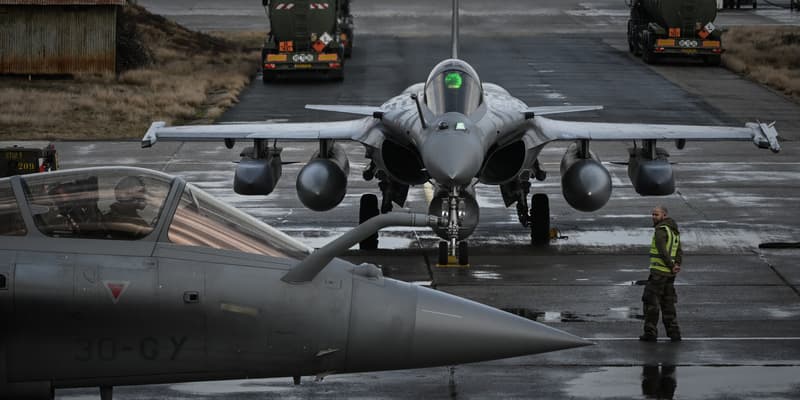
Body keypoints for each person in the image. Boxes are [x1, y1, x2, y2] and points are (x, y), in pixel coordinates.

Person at [640, 205, 683, 342]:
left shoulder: (661, 230)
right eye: (652, 214)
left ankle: (650, 333)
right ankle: (674, 332)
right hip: (670, 275)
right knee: (668, 303)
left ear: (664, 216)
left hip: (659, 273)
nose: (653, 217)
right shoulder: (674, 230)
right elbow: (679, 250)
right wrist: (676, 265)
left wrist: (671, 265)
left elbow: (662, 250)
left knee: (650, 303)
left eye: (656, 215)